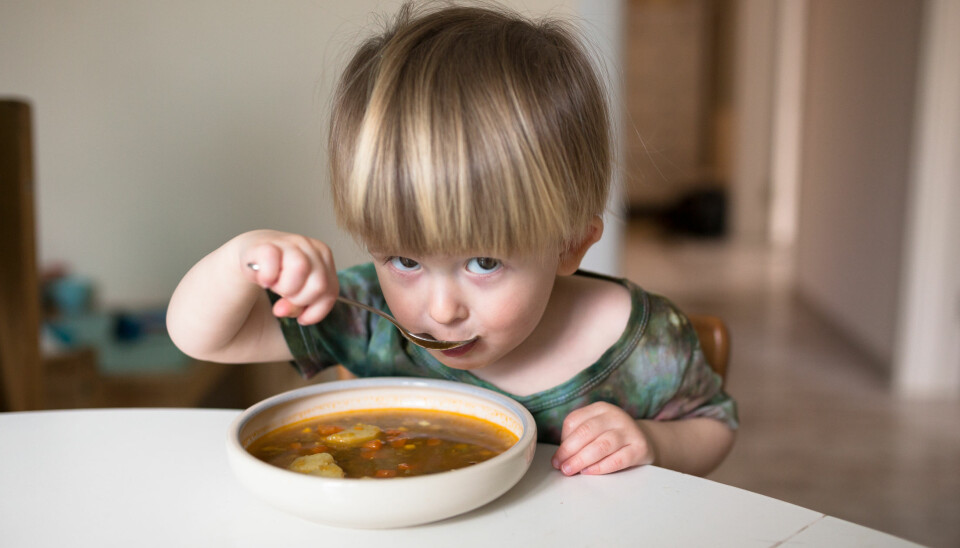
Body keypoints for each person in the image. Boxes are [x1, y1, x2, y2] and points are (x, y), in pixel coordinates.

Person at [167, 2, 737, 477]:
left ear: (570, 244)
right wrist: (243, 258)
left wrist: (653, 444)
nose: (439, 310)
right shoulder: (365, 316)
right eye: (405, 259)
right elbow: (204, 339)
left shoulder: (646, 344)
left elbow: (715, 424)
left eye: (484, 262)